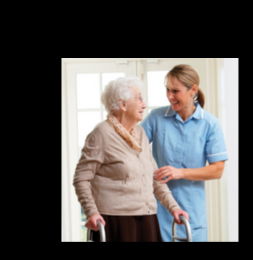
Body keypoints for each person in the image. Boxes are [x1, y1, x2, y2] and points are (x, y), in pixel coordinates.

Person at [73, 77, 189, 242]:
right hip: (115, 221)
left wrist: (174, 208)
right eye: (139, 98)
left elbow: (155, 178)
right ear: (123, 104)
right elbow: (81, 178)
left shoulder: (140, 133)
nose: (144, 104)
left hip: (147, 219)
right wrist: (91, 212)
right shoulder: (101, 134)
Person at [141, 64, 228, 242]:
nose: (169, 96)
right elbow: (132, 148)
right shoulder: (156, 118)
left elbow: (217, 170)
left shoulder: (210, 124)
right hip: (159, 208)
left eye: (175, 91)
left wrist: (180, 172)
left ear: (192, 90)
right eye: (167, 90)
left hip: (192, 212)